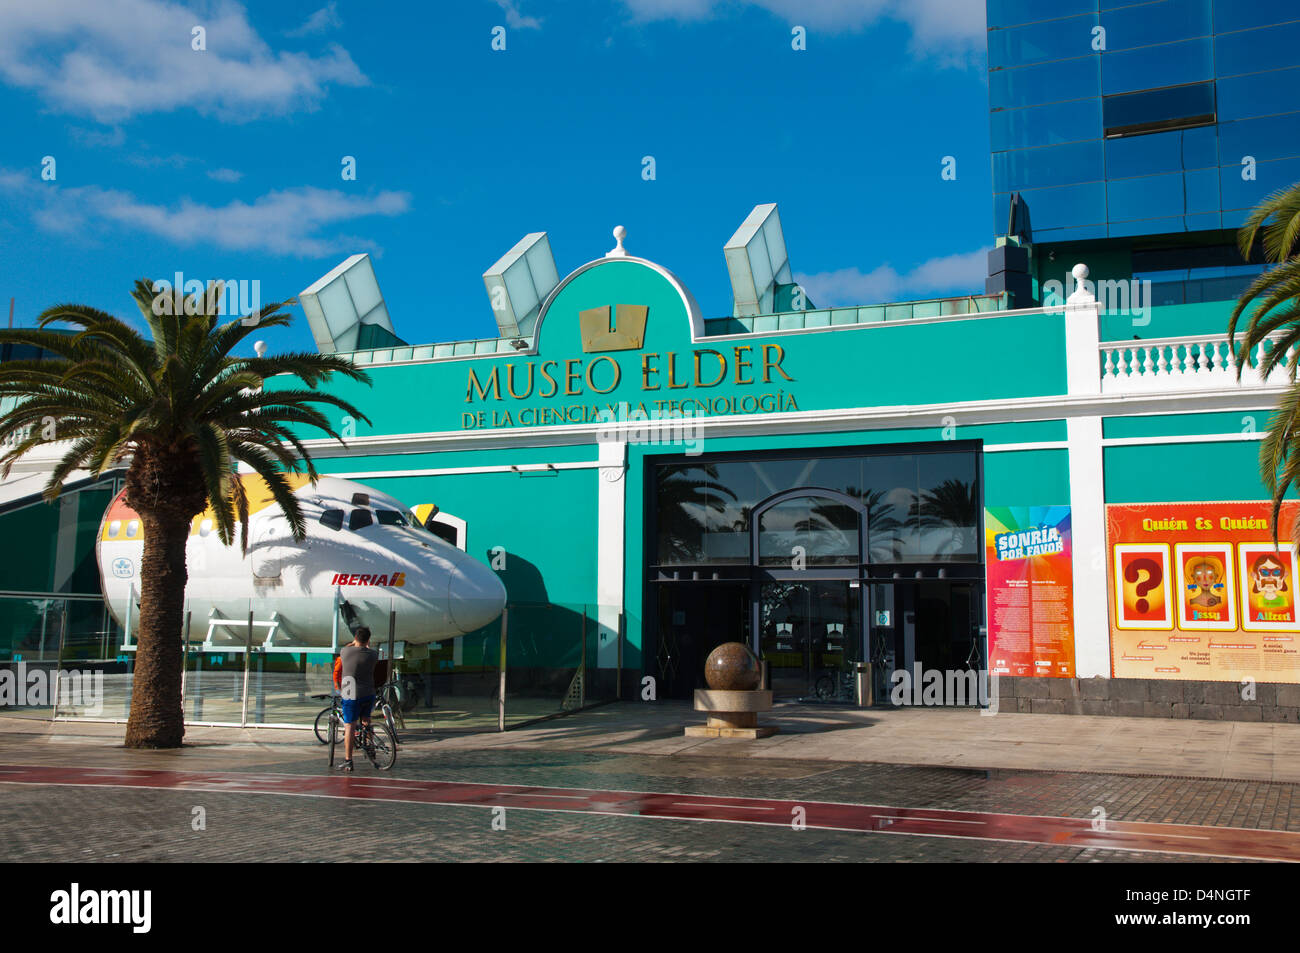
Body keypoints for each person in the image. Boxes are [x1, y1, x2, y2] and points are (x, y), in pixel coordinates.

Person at [333, 627, 379, 772]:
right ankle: (369, 745)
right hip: (369, 692)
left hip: (350, 692)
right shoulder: (373, 654)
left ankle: (348, 760)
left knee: (349, 727)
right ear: (368, 640)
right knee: (366, 720)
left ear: (355, 638)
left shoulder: (346, 652)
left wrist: (353, 643)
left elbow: (346, 648)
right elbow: (367, 648)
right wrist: (364, 644)